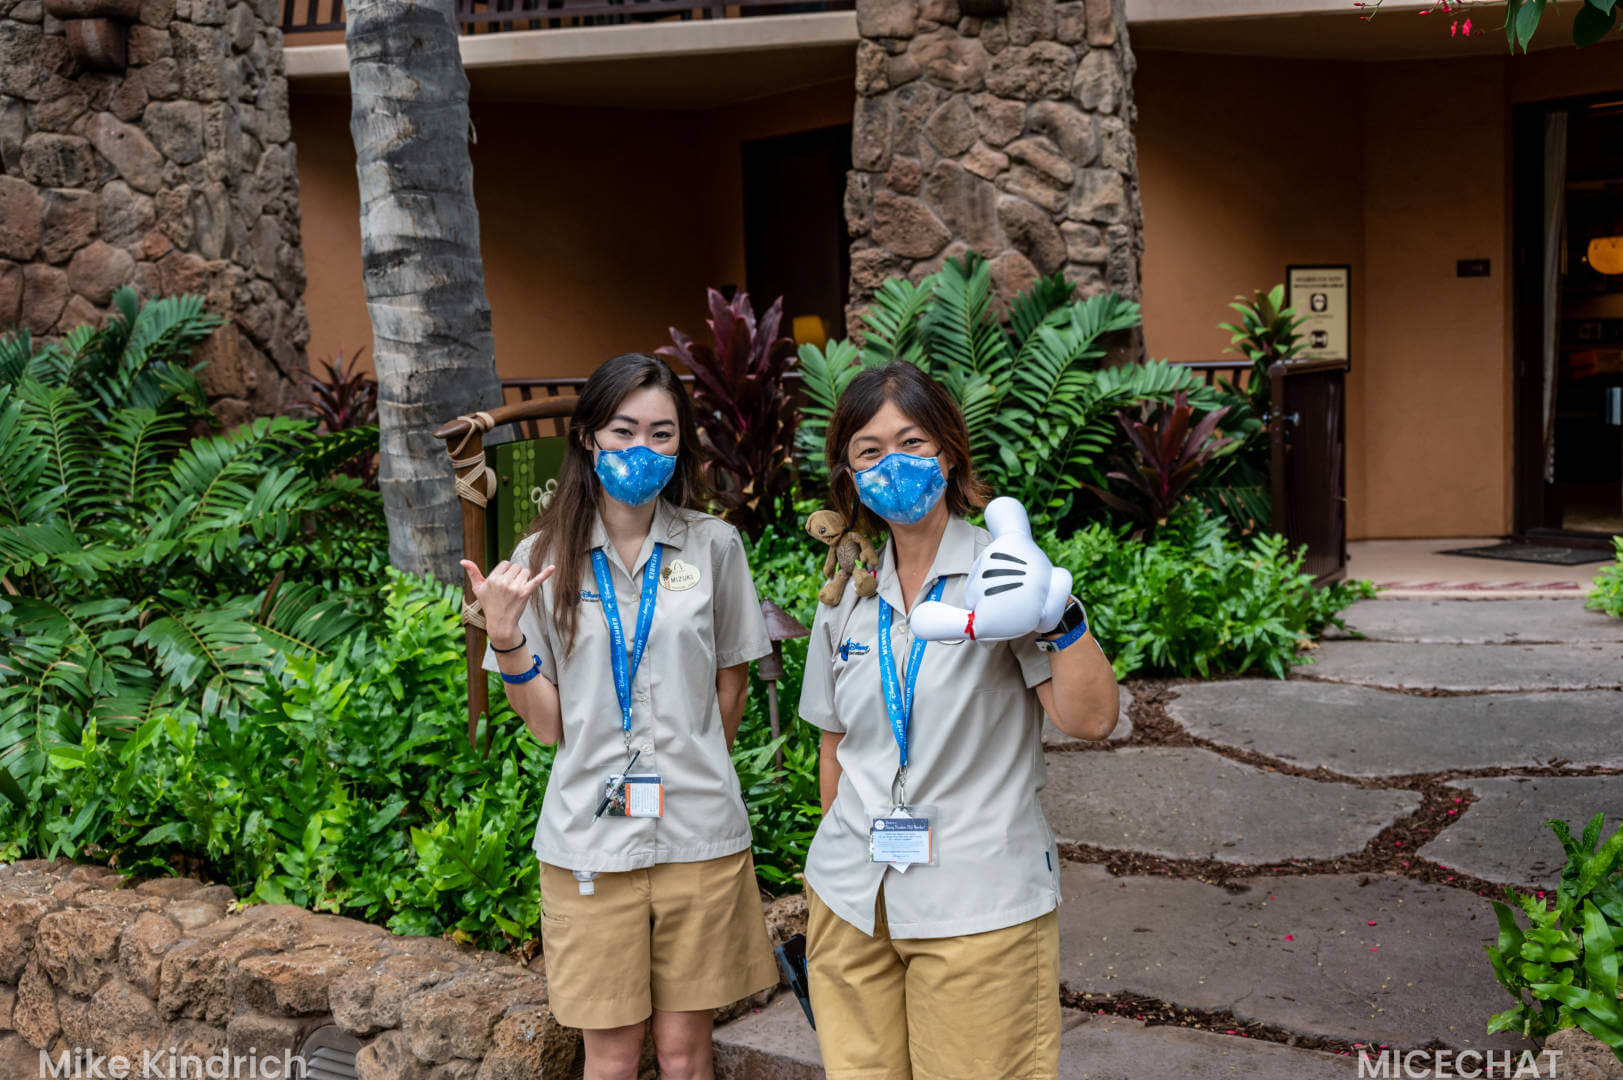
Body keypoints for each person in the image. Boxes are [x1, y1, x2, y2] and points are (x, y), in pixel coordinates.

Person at [798, 362, 1120, 1080]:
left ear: (947, 453)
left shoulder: (1006, 575)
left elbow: (1090, 719)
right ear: (847, 476)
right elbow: (834, 748)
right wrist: (831, 878)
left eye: (911, 442)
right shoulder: (845, 596)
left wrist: (1060, 616)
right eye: (869, 451)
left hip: (978, 904)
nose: (893, 464)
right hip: (853, 903)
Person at [463, 353, 780, 1080]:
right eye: (623, 430)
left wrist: (693, 763)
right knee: (607, 1057)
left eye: (661, 434)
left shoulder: (714, 546)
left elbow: (730, 686)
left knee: (684, 1053)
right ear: (587, 439)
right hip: (589, 845)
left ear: (680, 446)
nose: (641, 449)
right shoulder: (540, 559)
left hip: (699, 838)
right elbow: (545, 726)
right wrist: (506, 635)